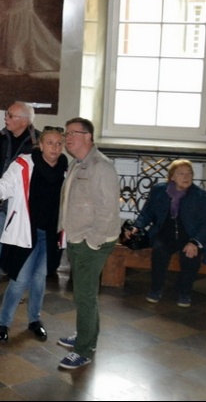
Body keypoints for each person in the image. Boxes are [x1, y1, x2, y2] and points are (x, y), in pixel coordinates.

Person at [0, 128, 67, 344]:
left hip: (51, 234)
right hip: (26, 231)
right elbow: (2, 185)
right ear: (41, 144)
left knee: (39, 279)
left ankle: (34, 320)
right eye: (50, 143)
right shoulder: (24, 164)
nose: (55, 148)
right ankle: (3, 323)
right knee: (20, 279)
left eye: (59, 143)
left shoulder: (66, 169)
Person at [56, 117, 121, 370]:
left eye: (73, 133)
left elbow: (108, 211)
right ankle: (87, 335)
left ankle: (83, 349)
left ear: (88, 137)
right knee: (86, 293)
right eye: (67, 133)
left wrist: (92, 243)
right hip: (77, 237)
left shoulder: (101, 167)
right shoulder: (77, 163)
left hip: (91, 241)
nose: (68, 138)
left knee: (84, 296)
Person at [0, 102, 40, 300]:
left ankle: (19, 288)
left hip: (23, 206)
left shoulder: (38, 142)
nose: (6, 118)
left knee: (21, 248)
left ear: (24, 121)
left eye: (11, 115)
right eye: (7, 114)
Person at [131, 159, 206, 307]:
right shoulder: (159, 191)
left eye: (189, 173)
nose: (186, 177)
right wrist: (137, 226)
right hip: (164, 234)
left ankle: (184, 292)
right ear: (172, 177)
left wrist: (195, 242)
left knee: (191, 256)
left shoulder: (202, 197)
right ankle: (156, 289)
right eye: (181, 173)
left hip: (190, 236)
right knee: (159, 252)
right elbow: (147, 212)